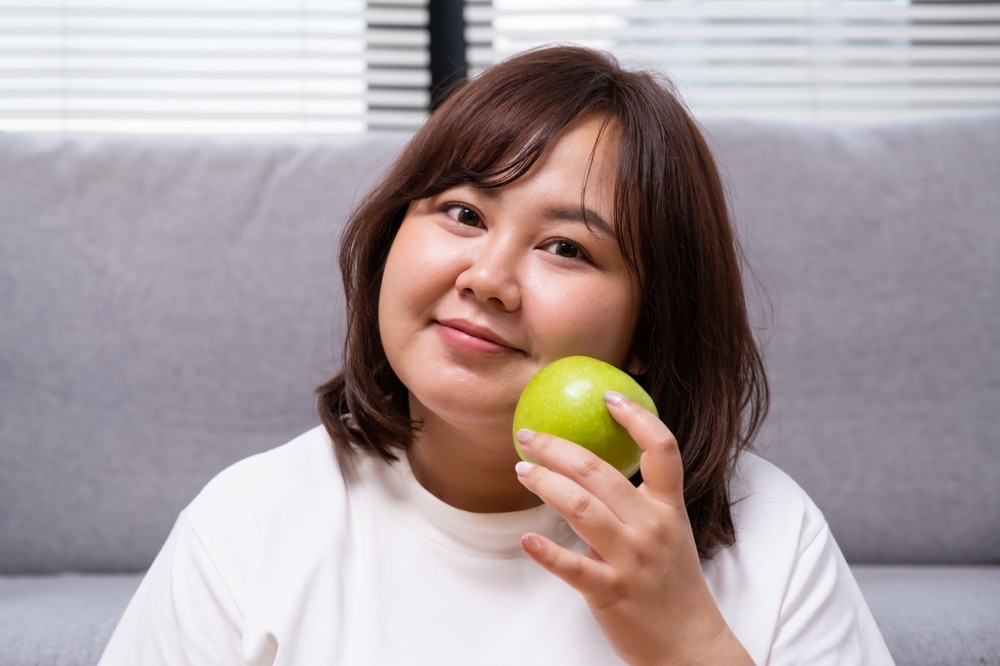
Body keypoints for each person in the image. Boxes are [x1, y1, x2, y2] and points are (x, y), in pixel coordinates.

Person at [99, 44, 894, 665]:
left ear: (652, 330)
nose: (487, 279)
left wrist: (689, 647)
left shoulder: (771, 534)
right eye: (462, 212)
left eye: (565, 247)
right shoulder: (247, 528)